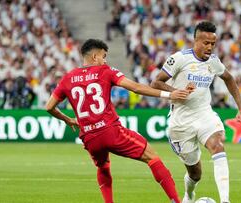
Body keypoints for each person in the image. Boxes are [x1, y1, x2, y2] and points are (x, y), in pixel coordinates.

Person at [46, 39, 192, 203]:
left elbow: (49, 107)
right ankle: (176, 201)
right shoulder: (105, 71)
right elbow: (135, 87)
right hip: (110, 131)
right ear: (95, 56)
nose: (105, 60)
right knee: (152, 157)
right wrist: (168, 95)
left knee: (103, 167)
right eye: (103, 56)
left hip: (89, 137)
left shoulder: (68, 78)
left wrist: (68, 120)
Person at [150, 21, 241, 203]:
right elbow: (156, 83)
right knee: (195, 174)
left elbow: (229, 78)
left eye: (213, 44)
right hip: (181, 121)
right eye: (206, 43)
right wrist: (174, 92)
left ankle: (225, 200)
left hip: (204, 114)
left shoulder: (213, 61)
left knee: (217, 144)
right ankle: (189, 195)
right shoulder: (179, 59)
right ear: (195, 41)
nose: (210, 47)